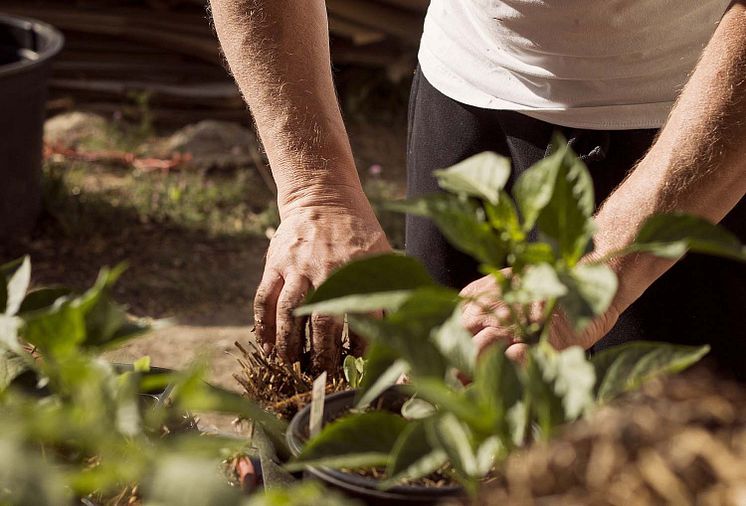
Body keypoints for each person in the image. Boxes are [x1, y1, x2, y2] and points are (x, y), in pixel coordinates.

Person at [209, 1, 746, 376]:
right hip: (464, 99)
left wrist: (600, 267)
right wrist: (315, 190)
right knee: (450, 428)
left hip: (696, 132)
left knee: (655, 465)